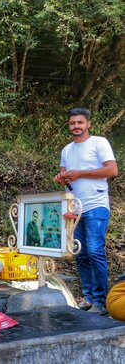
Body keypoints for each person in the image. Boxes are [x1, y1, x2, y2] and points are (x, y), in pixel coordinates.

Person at [54, 107, 118, 315]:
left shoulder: (99, 142)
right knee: (80, 253)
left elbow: (112, 170)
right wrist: (61, 178)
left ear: (88, 123)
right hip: (74, 207)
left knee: (94, 250)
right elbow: (64, 175)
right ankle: (89, 297)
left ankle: (100, 301)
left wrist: (80, 173)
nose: (76, 126)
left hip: (96, 205)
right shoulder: (66, 150)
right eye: (73, 123)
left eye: (80, 122)